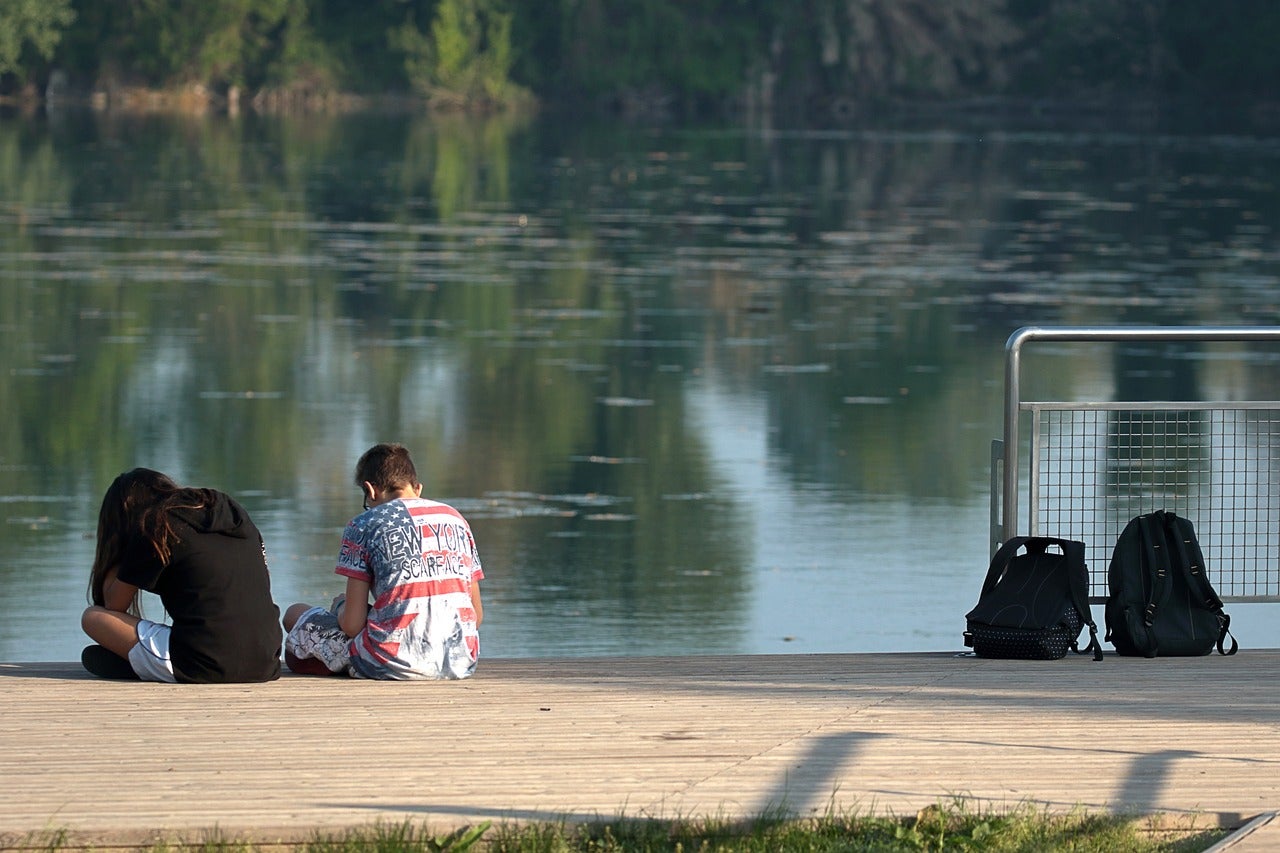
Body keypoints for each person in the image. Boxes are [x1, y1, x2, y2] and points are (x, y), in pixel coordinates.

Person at [283, 443, 484, 680]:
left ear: (370, 490)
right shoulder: (456, 519)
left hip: (391, 661)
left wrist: (340, 606)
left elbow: (352, 625)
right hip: (459, 660)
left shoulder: (363, 525)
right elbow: (476, 616)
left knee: (294, 615)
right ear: (417, 488)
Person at [80, 468, 283, 683]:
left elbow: (114, 604)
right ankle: (144, 664)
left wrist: (119, 545)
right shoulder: (233, 514)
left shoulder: (156, 524)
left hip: (202, 664)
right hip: (267, 661)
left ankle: (144, 664)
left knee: (93, 617)